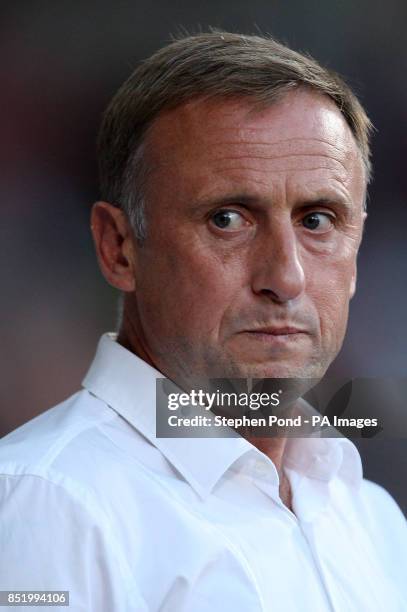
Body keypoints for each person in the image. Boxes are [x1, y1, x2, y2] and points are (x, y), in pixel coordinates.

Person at [0, 31, 405, 611]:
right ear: (119, 247)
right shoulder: (48, 506)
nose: (285, 277)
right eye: (227, 218)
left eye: (317, 221)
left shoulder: (372, 519)